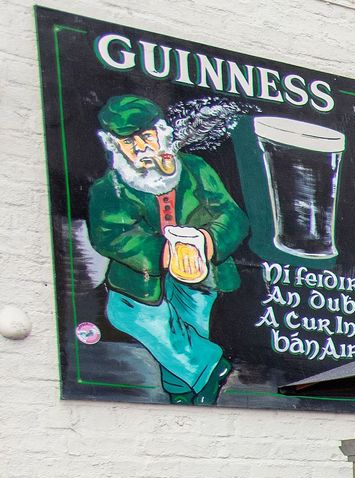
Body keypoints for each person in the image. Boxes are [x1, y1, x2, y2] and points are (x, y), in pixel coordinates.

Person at [87, 95, 249, 405]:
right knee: (123, 313)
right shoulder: (110, 187)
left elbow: (231, 215)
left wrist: (206, 241)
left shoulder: (195, 168)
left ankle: (186, 397)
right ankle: (211, 366)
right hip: (141, 278)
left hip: (201, 272)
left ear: (161, 133)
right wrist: (163, 252)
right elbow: (110, 235)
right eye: (129, 142)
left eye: (146, 137)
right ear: (114, 145)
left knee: (187, 332)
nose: (141, 148)